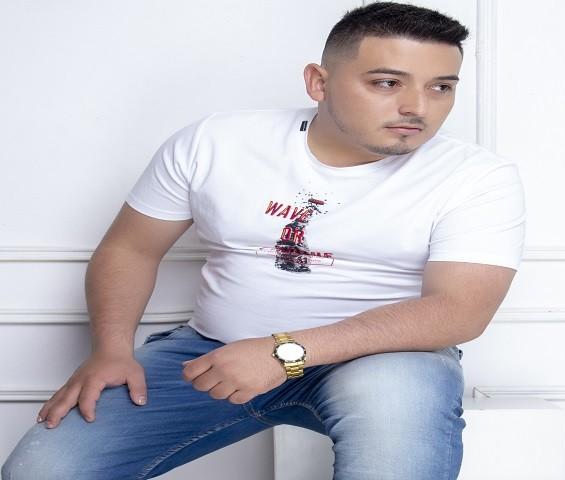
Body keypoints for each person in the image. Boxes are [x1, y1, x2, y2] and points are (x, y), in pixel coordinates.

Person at [2, 2, 526, 479]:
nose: (418, 107)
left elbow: (458, 311)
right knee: (41, 473)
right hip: (214, 349)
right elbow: (131, 248)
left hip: (384, 361)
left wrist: (284, 352)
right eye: (387, 82)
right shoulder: (216, 142)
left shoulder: (476, 176)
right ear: (318, 82)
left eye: (441, 87)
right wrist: (111, 349)